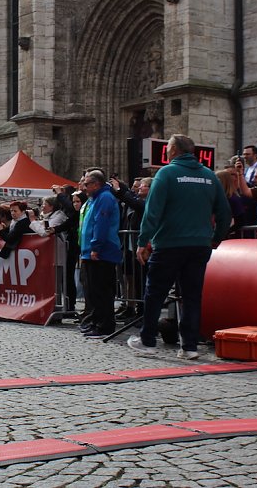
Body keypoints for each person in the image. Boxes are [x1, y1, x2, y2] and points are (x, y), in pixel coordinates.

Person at [129, 134, 232, 359]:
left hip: (169, 244)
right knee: (192, 296)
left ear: (174, 150)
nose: (165, 151)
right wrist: (215, 238)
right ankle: (189, 346)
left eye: (167, 148)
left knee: (155, 293)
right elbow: (225, 213)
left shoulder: (166, 173)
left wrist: (142, 242)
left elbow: (152, 212)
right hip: (199, 245)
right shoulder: (209, 176)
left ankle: (147, 341)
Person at [78, 170, 122, 339]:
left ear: (96, 184)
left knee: (101, 290)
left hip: (102, 252)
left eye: (87, 184)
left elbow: (101, 224)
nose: (85, 187)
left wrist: (96, 246)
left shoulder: (104, 198)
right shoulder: (95, 199)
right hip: (92, 251)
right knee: (93, 290)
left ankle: (105, 326)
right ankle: (96, 322)